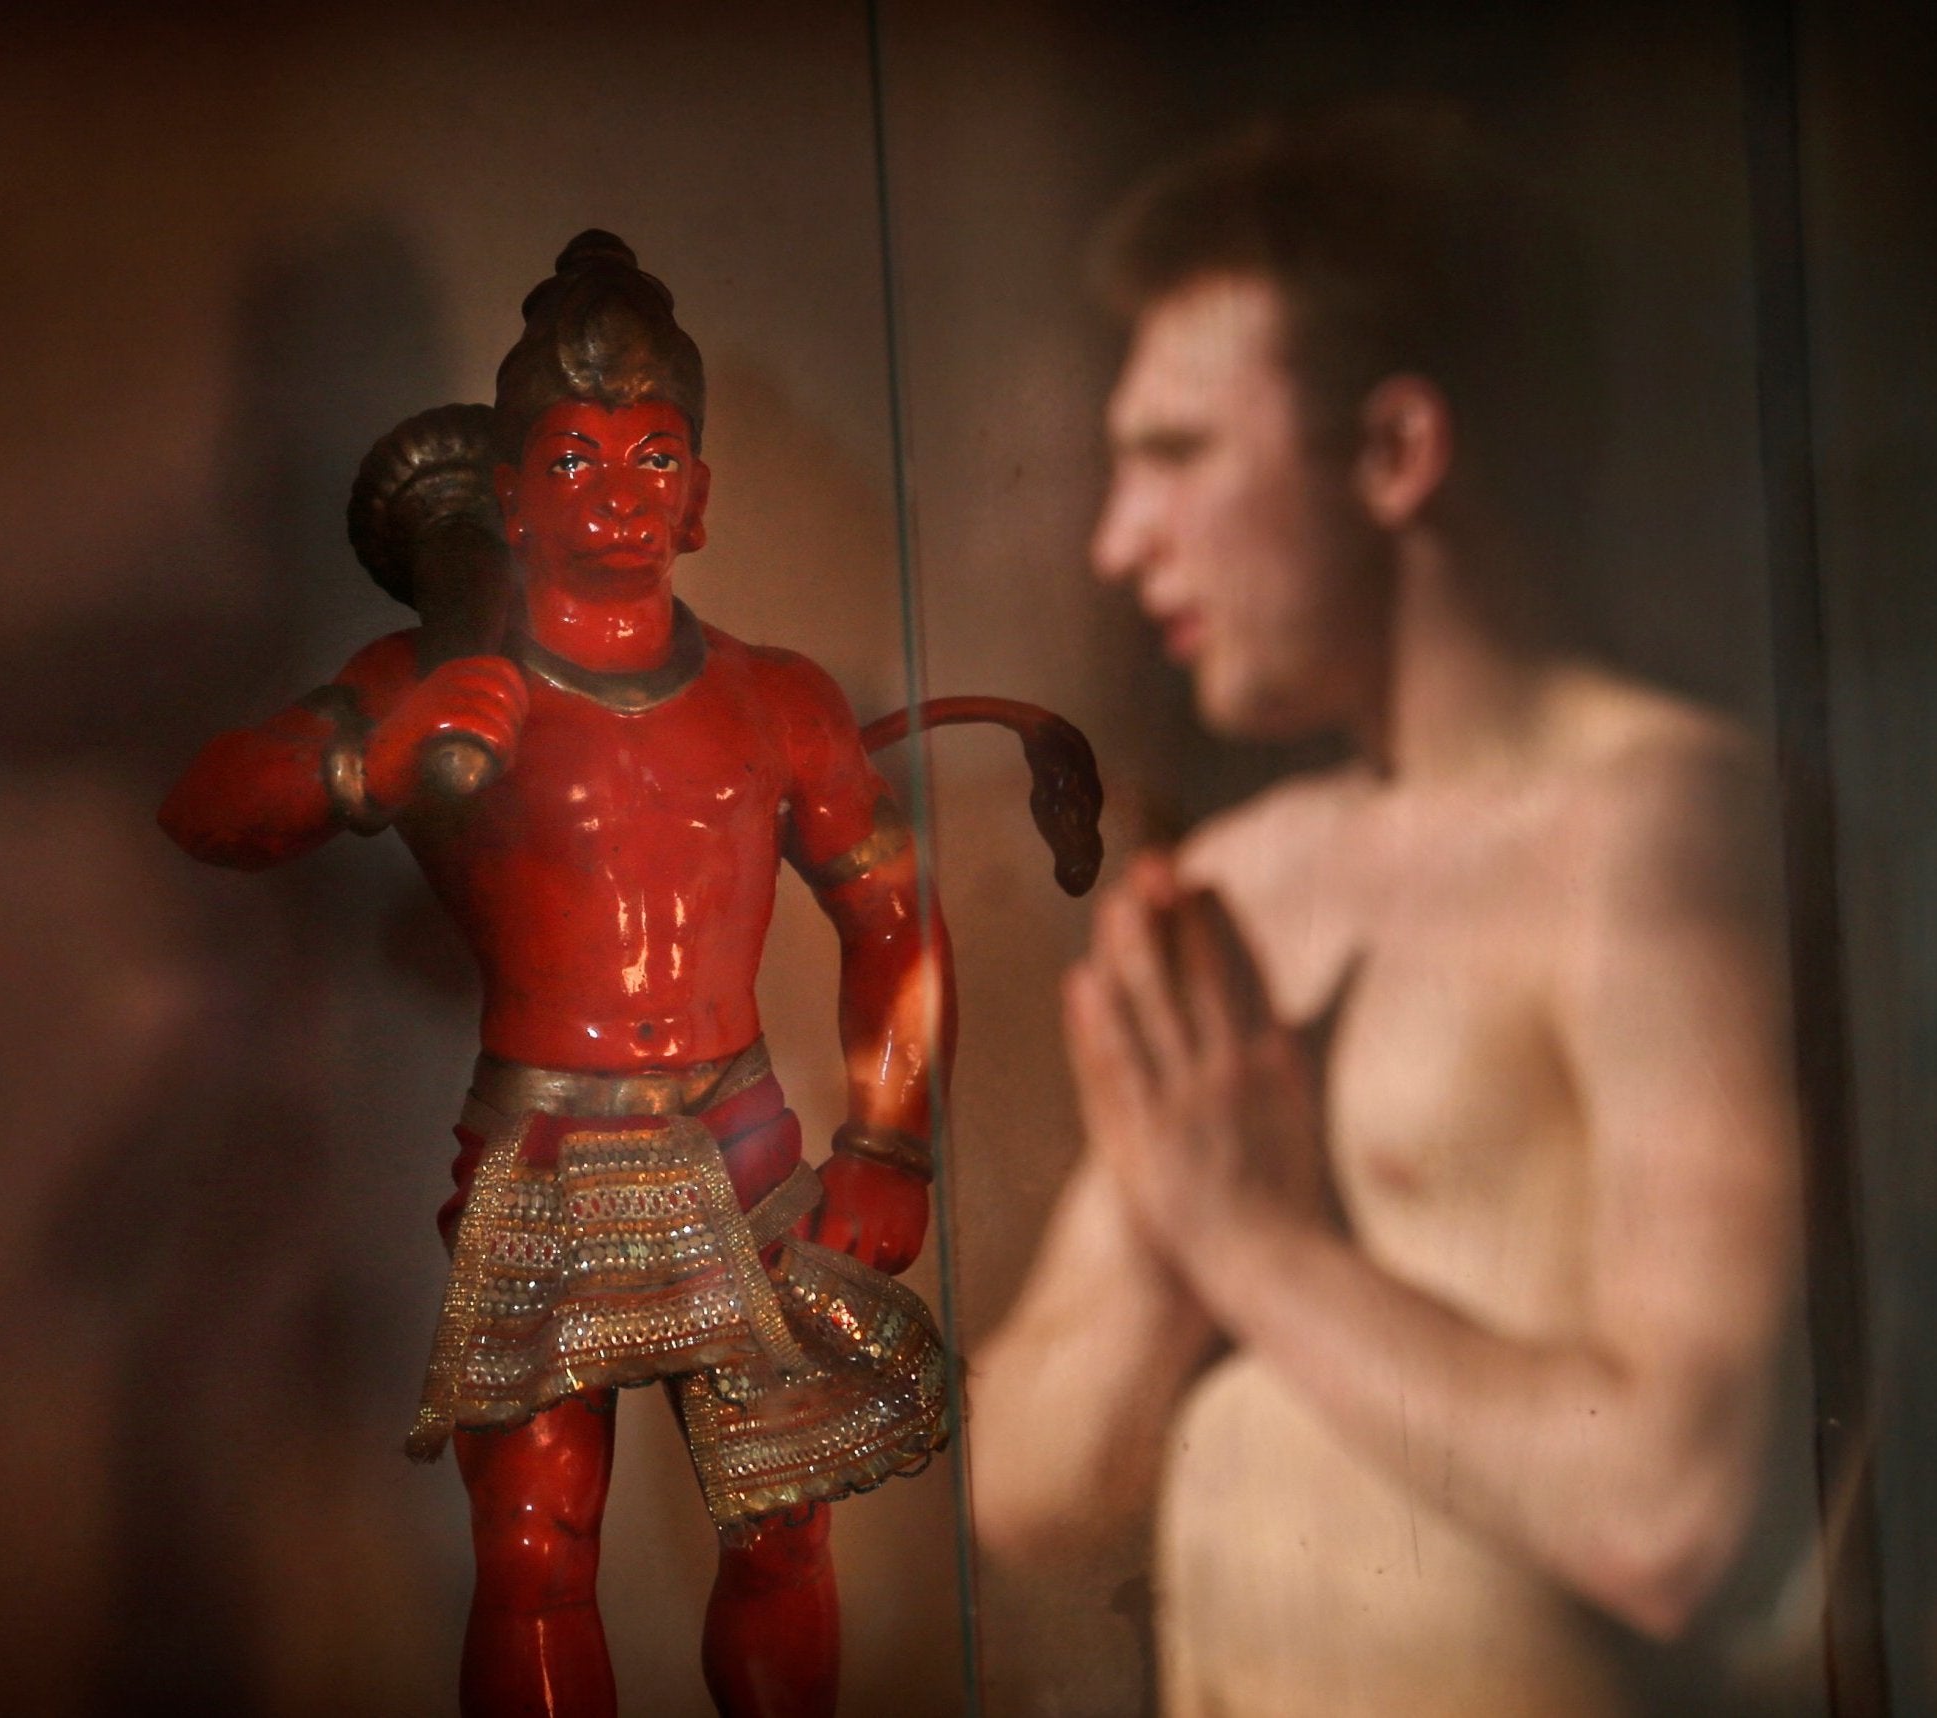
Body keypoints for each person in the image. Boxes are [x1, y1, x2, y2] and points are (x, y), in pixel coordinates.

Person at [969, 112, 1803, 1716]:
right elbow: (1024, 1491)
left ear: (1395, 452)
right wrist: (1170, 1242)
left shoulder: (1653, 828)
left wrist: (1250, 1240)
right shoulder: (1249, 880)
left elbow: (1681, 1512)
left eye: (1177, 454)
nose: (1116, 538)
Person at [160, 232, 953, 1718]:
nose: (621, 494)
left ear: (703, 495)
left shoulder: (779, 702)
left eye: (656, 457)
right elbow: (209, 800)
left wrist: (892, 1138)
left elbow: (893, 918)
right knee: (534, 1548)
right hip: (543, 1146)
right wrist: (363, 762)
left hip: (746, 1140)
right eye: (577, 459)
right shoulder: (441, 681)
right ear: (510, 499)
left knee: (780, 1531)